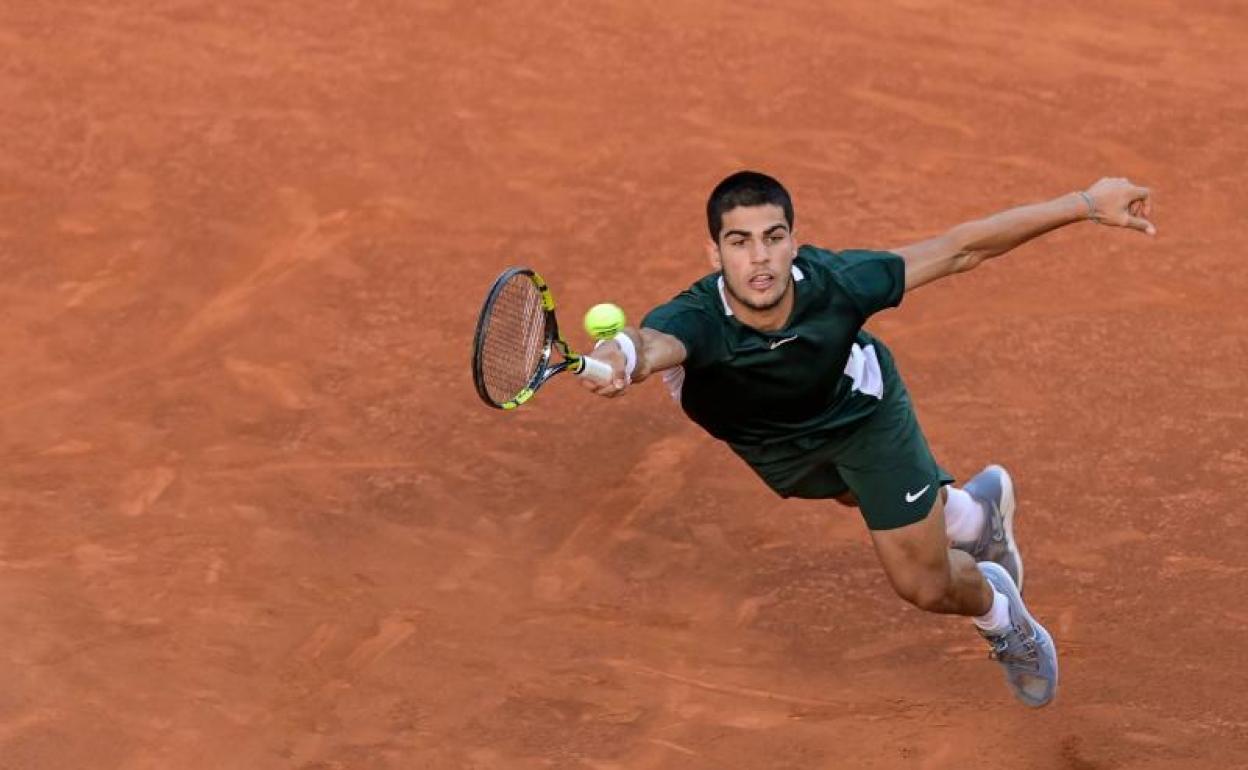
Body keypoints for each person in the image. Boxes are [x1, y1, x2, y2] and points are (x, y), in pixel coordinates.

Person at [582, 171, 1155, 707]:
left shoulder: (839, 284)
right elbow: (645, 344)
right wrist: (618, 359)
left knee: (924, 585)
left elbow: (961, 248)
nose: (759, 258)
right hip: (773, 443)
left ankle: (1002, 615)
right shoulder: (695, 318)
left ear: (793, 243)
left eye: (772, 237)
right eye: (739, 241)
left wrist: (1083, 204)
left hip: (860, 418)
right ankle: (975, 517)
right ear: (715, 254)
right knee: (854, 495)